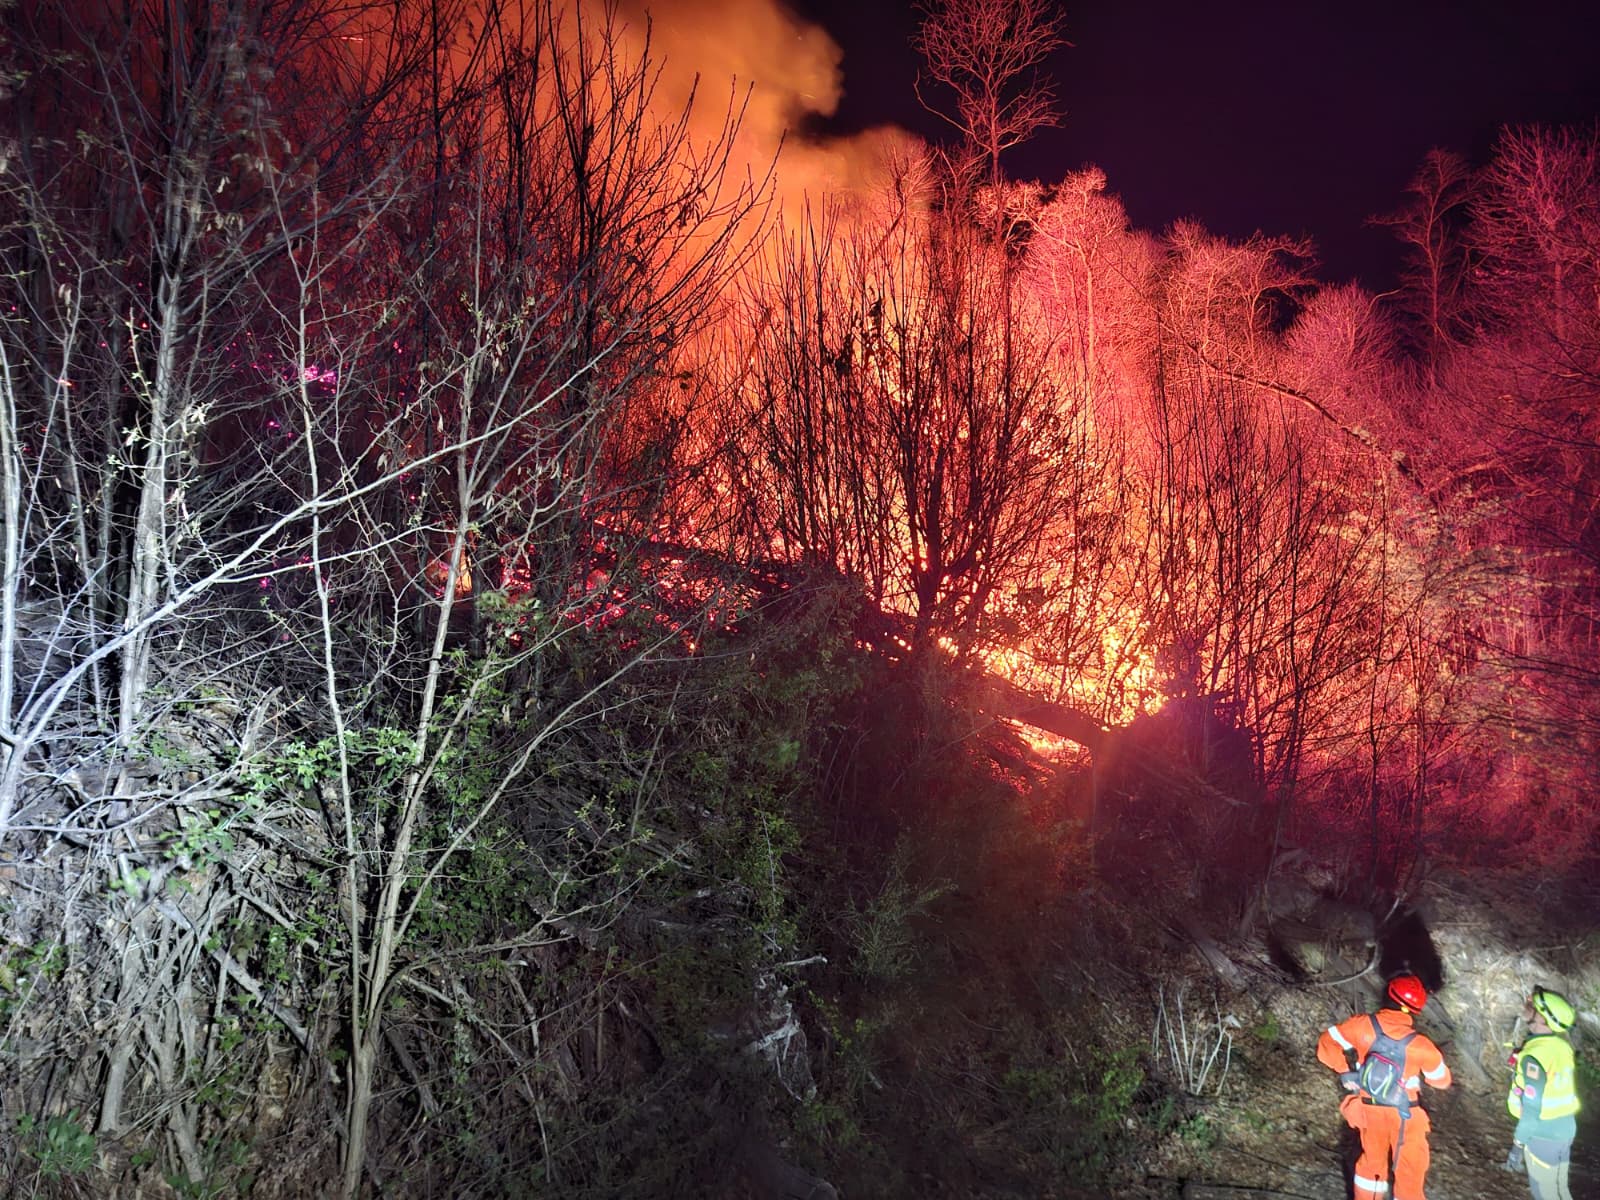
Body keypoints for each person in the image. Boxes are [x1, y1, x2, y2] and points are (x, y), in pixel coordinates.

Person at [1316, 974, 1454, 1199]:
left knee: (1371, 1165)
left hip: (1369, 1109)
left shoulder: (1362, 1026)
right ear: (1416, 1009)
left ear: (1388, 995)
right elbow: (1442, 1081)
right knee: (1409, 1169)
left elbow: (1326, 1043)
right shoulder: (1421, 1045)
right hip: (1406, 1115)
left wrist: (1344, 1071)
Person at [1505, 986, 1581, 1200]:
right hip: (1564, 1129)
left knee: (1545, 1194)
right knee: (1560, 1190)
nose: (1527, 1006)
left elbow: (1532, 1109)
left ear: (1543, 1019)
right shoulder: (1562, 1047)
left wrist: (1517, 1146)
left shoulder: (1535, 1055)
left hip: (1543, 1134)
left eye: (1534, 1006)